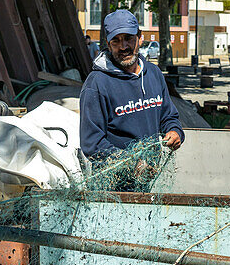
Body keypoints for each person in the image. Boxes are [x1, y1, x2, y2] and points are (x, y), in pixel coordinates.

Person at [79, 9, 184, 159]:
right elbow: (92, 143)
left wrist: (174, 131)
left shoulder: (154, 73)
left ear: (140, 38)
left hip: (152, 175)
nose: (123, 47)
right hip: (117, 181)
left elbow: (168, 116)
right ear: (108, 45)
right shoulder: (96, 84)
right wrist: (129, 164)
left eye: (129, 38)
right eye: (116, 40)